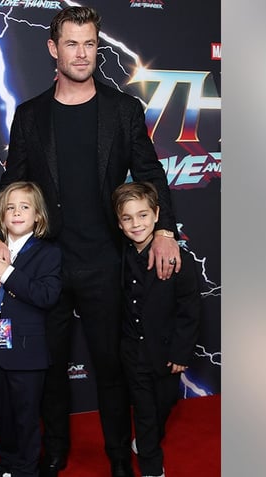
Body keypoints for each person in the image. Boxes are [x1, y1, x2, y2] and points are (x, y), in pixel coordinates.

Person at [0, 6, 182, 477]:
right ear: (54, 48)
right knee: (48, 369)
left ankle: (118, 459)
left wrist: (166, 230)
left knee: (112, 371)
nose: (82, 53)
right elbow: (12, 181)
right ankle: (54, 453)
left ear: (98, 46)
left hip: (105, 263)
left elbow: (152, 174)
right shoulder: (31, 116)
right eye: (71, 43)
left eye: (90, 43)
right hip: (45, 265)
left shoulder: (123, 110)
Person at [111, 182, 201, 477]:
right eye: (128, 218)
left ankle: (147, 442)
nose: (136, 224)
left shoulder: (178, 259)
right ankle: (152, 468)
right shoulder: (118, 258)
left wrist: (180, 352)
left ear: (157, 214)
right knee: (147, 414)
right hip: (133, 354)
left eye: (143, 215)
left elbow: (189, 310)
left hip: (165, 353)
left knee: (165, 403)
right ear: (119, 222)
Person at [0, 182, 62, 477]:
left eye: (24, 207)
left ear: (38, 215)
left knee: (26, 416)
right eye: (10, 207)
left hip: (27, 352)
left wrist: (7, 274)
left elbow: (46, 296)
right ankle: (7, 465)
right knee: (4, 414)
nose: (16, 212)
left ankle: (26, 470)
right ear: (0, 216)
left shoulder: (48, 253)